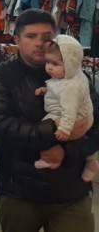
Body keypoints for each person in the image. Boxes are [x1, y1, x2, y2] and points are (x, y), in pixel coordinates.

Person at [0, 9, 99, 232]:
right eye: (30, 36)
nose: (39, 43)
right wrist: (53, 130)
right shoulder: (0, 77)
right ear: (17, 39)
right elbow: (0, 126)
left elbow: (96, 123)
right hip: (21, 192)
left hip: (71, 192)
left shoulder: (75, 76)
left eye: (46, 37)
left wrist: (68, 150)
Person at [33, 35, 98, 183]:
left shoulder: (69, 87)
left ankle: (51, 160)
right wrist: (47, 91)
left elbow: (69, 109)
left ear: (70, 64)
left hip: (74, 117)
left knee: (43, 129)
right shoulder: (72, 75)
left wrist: (65, 128)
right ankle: (92, 159)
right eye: (47, 61)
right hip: (86, 114)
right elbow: (59, 91)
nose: (49, 67)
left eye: (55, 64)